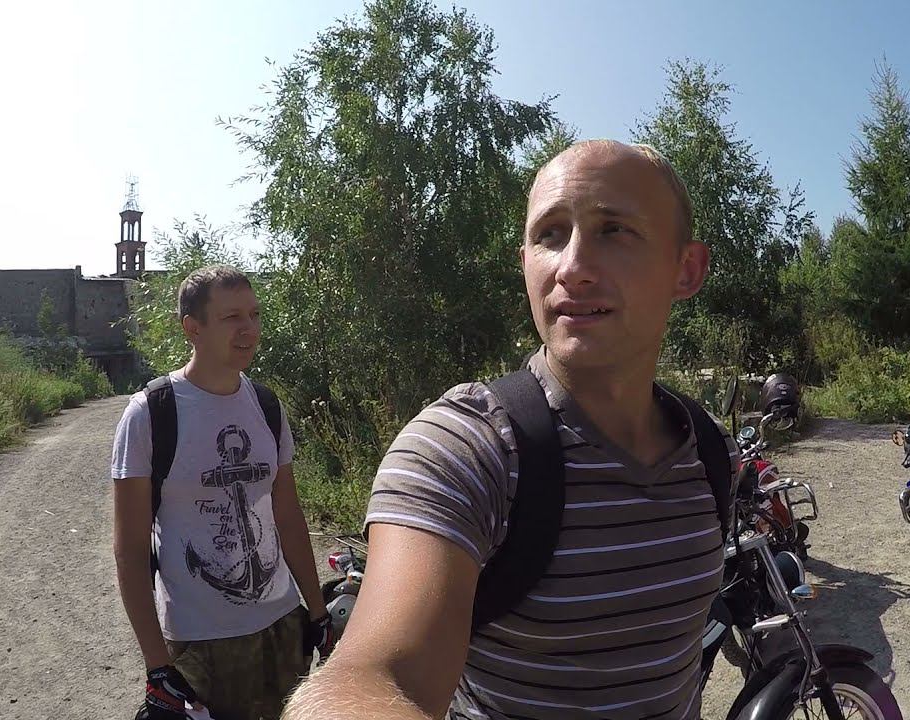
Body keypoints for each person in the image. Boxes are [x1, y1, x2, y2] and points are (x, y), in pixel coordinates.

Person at [283, 139, 737, 720]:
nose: (572, 267)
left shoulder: (710, 449)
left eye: (615, 230)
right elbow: (363, 681)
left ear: (686, 269)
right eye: (550, 234)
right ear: (524, 262)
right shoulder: (466, 447)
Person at [111, 266, 334, 720]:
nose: (249, 328)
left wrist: (316, 612)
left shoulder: (267, 406)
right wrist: (157, 667)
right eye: (232, 317)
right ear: (192, 328)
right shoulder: (151, 414)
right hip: (200, 643)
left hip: (282, 629)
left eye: (254, 314)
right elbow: (130, 549)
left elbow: (288, 517)